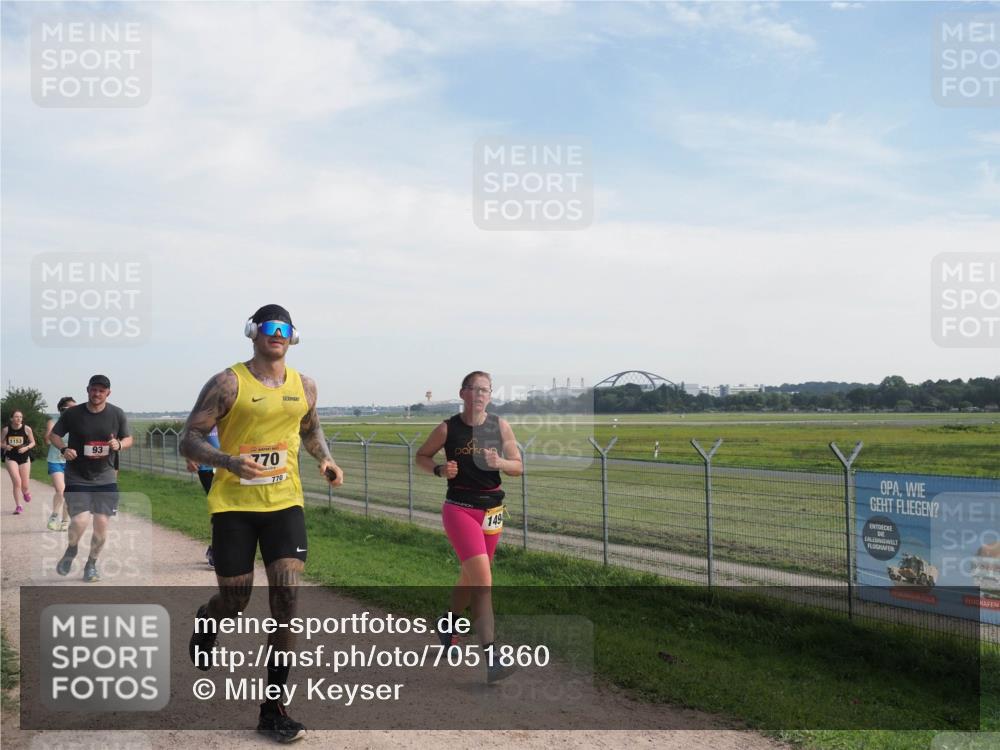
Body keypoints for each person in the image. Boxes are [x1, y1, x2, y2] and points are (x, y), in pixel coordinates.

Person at [179, 304, 343, 744]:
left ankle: (273, 709)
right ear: (253, 333)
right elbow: (189, 439)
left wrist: (325, 458)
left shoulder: (304, 385)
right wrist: (228, 461)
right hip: (233, 506)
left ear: (293, 336)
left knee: (287, 601)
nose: (277, 333)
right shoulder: (228, 383)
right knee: (235, 600)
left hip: (285, 504)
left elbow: (310, 429)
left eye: (284, 328)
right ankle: (208, 620)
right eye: (269, 327)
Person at [415, 370, 522, 684]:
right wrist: (438, 469)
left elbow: (518, 466)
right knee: (483, 581)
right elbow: (421, 456)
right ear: (463, 393)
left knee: (472, 574)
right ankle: (493, 656)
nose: (480, 394)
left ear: (490, 395)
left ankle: (448, 624)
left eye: (485, 390)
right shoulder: (448, 428)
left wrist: (500, 463)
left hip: (492, 510)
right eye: (474, 389)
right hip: (460, 509)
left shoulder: (500, 426)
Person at [48, 375, 132, 582]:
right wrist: (64, 448)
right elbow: (54, 435)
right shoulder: (73, 414)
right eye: (94, 390)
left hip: (105, 476)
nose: (97, 394)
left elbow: (128, 438)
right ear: (87, 390)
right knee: (79, 521)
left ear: (108, 393)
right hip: (77, 475)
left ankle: (91, 564)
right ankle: (72, 549)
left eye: (101, 391)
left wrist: (120, 445)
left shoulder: (117, 414)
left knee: (102, 523)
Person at [185, 426, 220, 567]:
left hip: (231, 465)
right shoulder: (206, 412)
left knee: (231, 509)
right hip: (208, 468)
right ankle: (216, 551)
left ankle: (217, 549)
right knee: (219, 508)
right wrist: (189, 459)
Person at [45, 397, 77, 531]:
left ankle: (65, 520)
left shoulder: (78, 424)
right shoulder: (53, 423)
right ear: (62, 409)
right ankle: (54, 516)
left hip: (72, 463)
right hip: (55, 460)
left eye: (75, 408)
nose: (73, 411)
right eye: (70, 408)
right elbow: (48, 440)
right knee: (61, 490)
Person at [2, 410, 36, 514]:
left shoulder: (27, 429)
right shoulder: (6, 430)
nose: (18, 419)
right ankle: (18, 506)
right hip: (11, 457)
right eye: (16, 417)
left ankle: (26, 492)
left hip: (24, 457)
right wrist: (5, 446)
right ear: (11, 418)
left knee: (24, 485)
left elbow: (33, 442)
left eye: (20, 417)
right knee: (17, 482)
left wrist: (26, 448)